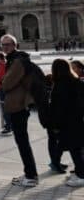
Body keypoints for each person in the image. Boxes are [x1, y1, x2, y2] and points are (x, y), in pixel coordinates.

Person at [0, 34, 39, 187]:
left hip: (19, 106)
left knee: (22, 142)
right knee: (21, 141)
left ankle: (31, 176)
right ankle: (29, 173)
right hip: (18, 105)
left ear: (14, 45)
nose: (4, 48)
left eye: (7, 44)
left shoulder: (17, 62)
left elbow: (6, 84)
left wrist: (4, 80)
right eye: (2, 45)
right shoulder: (14, 60)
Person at [48, 59, 84, 187]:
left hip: (66, 122)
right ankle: (79, 172)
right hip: (77, 120)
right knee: (77, 149)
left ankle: (81, 176)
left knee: (75, 149)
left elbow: (58, 108)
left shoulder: (60, 85)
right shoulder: (76, 81)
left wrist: (55, 125)